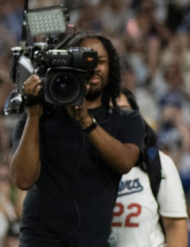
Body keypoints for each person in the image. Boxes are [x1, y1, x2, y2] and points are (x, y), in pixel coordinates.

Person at [10, 32, 144, 246]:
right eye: (85, 61)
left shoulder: (126, 119)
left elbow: (125, 162)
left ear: (111, 68)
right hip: (39, 239)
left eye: (100, 61)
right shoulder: (39, 118)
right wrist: (34, 115)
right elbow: (23, 180)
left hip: (91, 241)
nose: (93, 68)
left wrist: (86, 120)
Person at [110, 88, 188, 247]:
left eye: (124, 111)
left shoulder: (158, 164)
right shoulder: (82, 165)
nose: (117, 118)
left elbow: (175, 227)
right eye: (109, 112)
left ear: (136, 119)